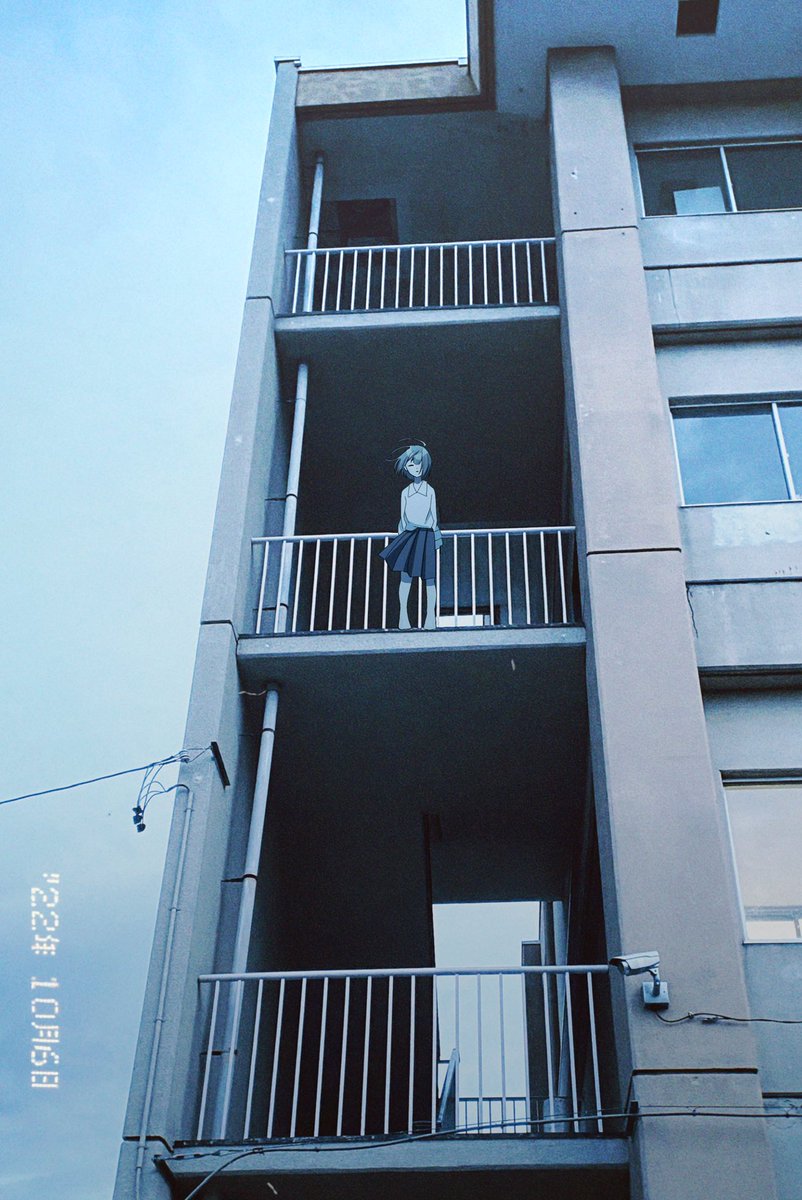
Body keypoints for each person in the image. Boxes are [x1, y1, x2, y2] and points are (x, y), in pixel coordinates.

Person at [379, 443, 443, 630]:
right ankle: (403, 616)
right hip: (408, 535)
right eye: (411, 465)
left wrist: (425, 528)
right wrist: (404, 533)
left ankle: (430, 617)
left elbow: (433, 518)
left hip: (425, 535)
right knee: (405, 577)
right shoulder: (405, 492)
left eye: (418, 463)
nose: (415, 468)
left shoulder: (429, 490)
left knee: (429, 578)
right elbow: (403, 518)